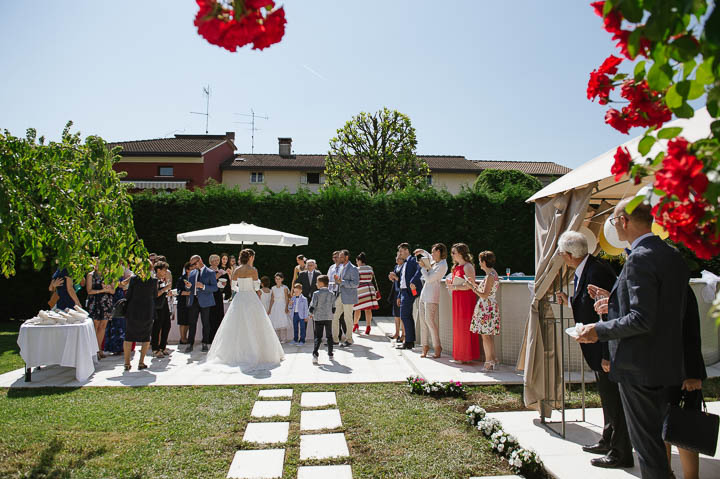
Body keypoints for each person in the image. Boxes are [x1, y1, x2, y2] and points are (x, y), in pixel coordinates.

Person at [578, 199, 690, 479]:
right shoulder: (672, 254)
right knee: (657, 447)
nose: (614, 227)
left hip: (640, 367)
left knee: (649, 450)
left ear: (625, 221)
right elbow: (664, 310)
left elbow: (642, 318)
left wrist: (597, 330)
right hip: (668, 363)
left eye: (614, 221)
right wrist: (611, 305)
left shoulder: (639, 257)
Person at [554, 230, 632, 469]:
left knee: (614, 400)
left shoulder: (597, 271)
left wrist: (609, 354)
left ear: (568, 255)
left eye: (560, 252)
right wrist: (569, 301)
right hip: (596, 346)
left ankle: (620, 452)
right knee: (607, 398)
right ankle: (608, 439)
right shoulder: (586, 269)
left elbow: (611, 313)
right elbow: (590, 304)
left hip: (604, 347)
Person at [205, 248, 284, 370]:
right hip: (251, 298)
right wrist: (251, 290)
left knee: (236, 325)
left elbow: (233, 287)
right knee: (256, 324)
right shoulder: (253, 270)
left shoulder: (236, 270)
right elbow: (257, 287)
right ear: (250, 257)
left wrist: (241, 290)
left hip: (240, 298)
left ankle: (235, 354)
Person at [664, 285, 706, 479]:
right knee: (660, 427)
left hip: (682, 372)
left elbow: (691, 332)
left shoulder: (681, 289)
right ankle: (664, 474)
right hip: (658, 372)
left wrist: (692, 374)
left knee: (684, 427)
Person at [446, 243, 480, 362]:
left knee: (465, 326)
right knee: (458, 326)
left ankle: (467, 356)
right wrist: (451, 284)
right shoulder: (456, 267)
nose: (452, 255)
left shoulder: (468, 266)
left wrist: (455, 287)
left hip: (466, 299)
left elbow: (471, 286)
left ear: (461, 253)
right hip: (457, 299)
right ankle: (460, 355)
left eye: (454, 252)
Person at [469, 251, 502, 372]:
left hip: (486, 308)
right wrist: (473, 283)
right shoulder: (493, 273)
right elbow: (486, 290)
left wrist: (472, 287)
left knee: (485, 336)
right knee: (489, 336)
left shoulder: (490, 276)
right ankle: (493, 360)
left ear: (483, 262)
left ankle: (489, 362)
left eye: (479, 261)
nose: (479, 264)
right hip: (489, 307)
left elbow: (484, 294)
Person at [414, 243, 448, 358]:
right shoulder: (435, 262)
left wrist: (423, 268)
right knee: (423, 323)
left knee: (430, 322)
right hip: (424, 295)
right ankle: (425, 347)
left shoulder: (442, 265)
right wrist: (422, 251)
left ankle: (437, 347)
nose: (432, 254)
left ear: (439, 252)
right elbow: (428, 256)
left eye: (434, 251)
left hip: (432, 297)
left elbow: (428, 279)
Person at [123, 266, 158, 371]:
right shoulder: (153, 281)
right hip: (147, 311)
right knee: (146, 337)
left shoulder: (134, 279)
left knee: (129, 336)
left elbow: (128, 295)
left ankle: (127, 363)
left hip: (133, 310)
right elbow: (155, 295)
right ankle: (141, 362)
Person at [390, 243, 422, 350]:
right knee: (406, 316)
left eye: (401, 251)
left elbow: (420, 270)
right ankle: (409, 341)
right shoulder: (404, 264)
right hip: (403, 292)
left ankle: (408, 341)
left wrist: (413, 281)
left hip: (409, 292)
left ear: (406, 250)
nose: (400, 254)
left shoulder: (413, 260)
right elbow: (402, 281)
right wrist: (399, 295)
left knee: (404, 315)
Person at [186, 254, 218, 353]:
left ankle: (205, 343)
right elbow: (190, 288)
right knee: (192, 323)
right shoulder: (192, 273)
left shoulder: (210, 272)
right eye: (192, 264)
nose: (193, 266)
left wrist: (203, 286)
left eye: (194, 264)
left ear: (200, 260)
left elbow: (215, 288)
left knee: (206, 323)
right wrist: (188, 286)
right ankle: (190, 343)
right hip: (194, 300)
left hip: (205, 301)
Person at [86, 260, 115, 359]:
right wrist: (102, 290)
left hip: (106, 302)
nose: (98, 266)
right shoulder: (90, 275)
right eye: (97, 263)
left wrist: (108, 289)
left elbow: (113, 290)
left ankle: (99, 349)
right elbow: (89, 291)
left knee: (103, 325)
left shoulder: (108, 274)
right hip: (94, 302)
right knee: (95, 325)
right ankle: (93, 350)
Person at [333, 249, 359, 347]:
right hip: (340, 295)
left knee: (347, 318)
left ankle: (349, 339)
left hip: (349, 297)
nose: (338, 258)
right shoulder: (340, 267)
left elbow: (355, 284)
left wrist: (341, 282)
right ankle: (335, 340)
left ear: (346, 257)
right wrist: (337, 280)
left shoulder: (353, 268)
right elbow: (339, 282)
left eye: (341, 256)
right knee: (334, 317)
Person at [310, 275, 336, 364]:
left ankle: (315, 355)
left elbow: (313, 305)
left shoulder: (316, 293)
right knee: (329, 336)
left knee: (318, 336)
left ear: (321, 283)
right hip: (328, 317)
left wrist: (310, 313)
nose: (316, 284)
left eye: (317, 282)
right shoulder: (332, 293)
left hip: (318, 318)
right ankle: (330, 354)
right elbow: (334, 307)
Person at [105, 271, 131, 355]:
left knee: (120, 322)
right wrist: (130, 279)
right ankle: (115, 347)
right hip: (114, 298)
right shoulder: (112, 273)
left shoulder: (119, 271)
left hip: (120, 296)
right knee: (115, 322)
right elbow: (119, 285)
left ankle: (119, 347)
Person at [151, 261, 173, 358]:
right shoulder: (154, 280)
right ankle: (155, 349)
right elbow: (155, 294)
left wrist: (168, 292)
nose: (165, 272)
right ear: (158, 270)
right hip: (157, 307)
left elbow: (162, 293)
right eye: (164, 270)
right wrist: (165, 289)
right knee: (157, 327)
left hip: (164, 305)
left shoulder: (162, 280)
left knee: (167, 325)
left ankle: (162, 347)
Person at [353, 252, 378, 334]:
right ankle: (368, 327)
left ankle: (355, 324)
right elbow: (371, 278)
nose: (356, 263)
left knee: (357, 309)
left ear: (359, 261)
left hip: (360, 289)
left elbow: (356, 280)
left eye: (357, 261)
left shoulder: (357, 269)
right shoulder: (370, 268)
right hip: (369, 289)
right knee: (368, 310)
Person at [269, 272, 292, 342]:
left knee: (283, 321)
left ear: (282, 279)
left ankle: (284, 338)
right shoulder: (273, 288)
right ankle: (277, 338)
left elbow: (286, 298)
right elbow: (272, 299)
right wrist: (269, 309)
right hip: (275, 305)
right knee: (276, 322)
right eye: (276, 279)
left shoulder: (284, 288)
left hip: (282, 304)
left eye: (279, 279)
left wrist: (286, 307)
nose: (277, 280)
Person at [208, 254, 226, 343]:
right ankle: (210, 337)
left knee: (219, 314)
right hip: (211, 295)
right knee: (212, 316)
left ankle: (219, 338)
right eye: (214, 260)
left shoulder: (220, 271)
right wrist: (218, 275)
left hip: (218, 294)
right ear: (210, 261)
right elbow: (208, 281)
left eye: (217, 260)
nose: (216, 262)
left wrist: (223, 284)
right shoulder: (208, 270)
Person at [387, 253, 405, 342]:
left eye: (399, 258)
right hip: (395, 291)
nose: (397, 259)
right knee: (396, 314)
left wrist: (396, 277)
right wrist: (392, 278)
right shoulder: (396, 267)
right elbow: (395, 280)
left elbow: (404, 280)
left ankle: (403, 334)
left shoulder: (404, 267)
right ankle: (397, 333)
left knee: (402, 315)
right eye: (396, 257)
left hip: (401, 292)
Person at [175, 262, 192, 345]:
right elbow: (179, 291)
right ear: (187, 270)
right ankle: (182, 338)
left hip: (190, 303)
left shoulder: (194, 279)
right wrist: (189, 293)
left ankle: (186, 337)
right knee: (182, 322)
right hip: (182, 303)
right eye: (191, 269)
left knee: (188, 321)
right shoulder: (181, 279)